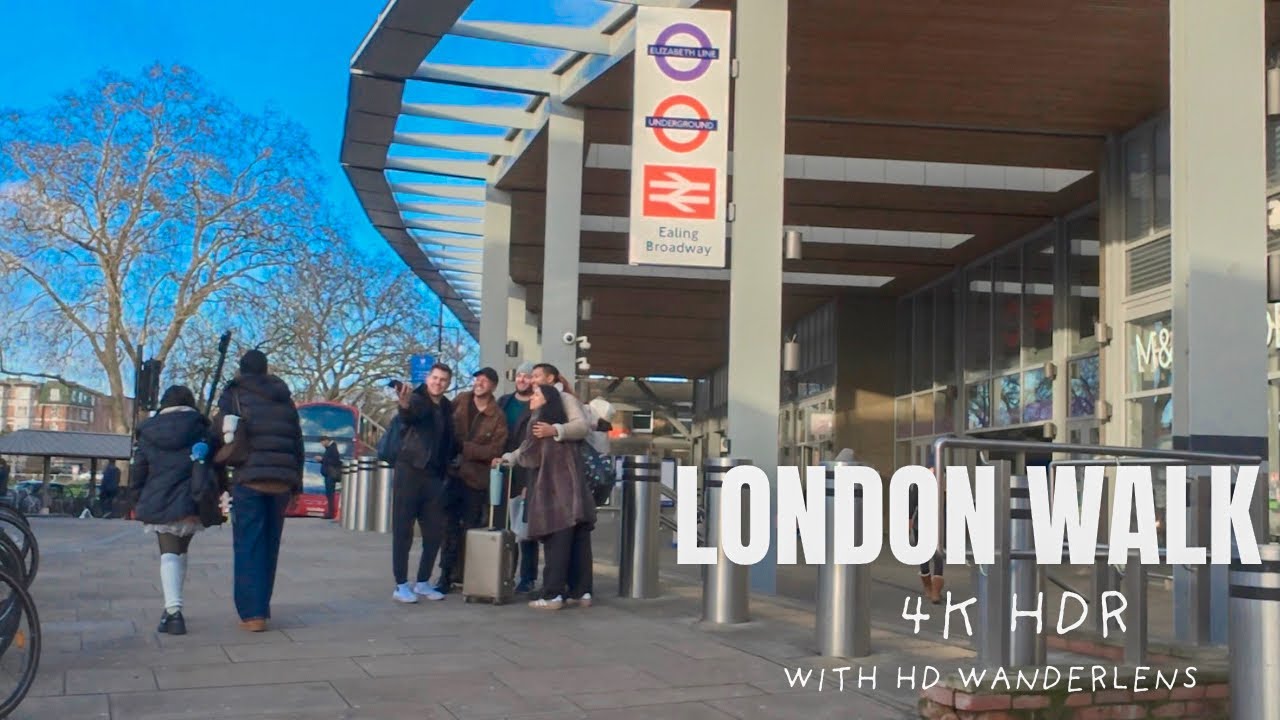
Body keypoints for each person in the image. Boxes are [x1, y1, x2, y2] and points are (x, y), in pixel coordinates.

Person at [216, 350, 304, 632]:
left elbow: (219, 429)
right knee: (270, 546)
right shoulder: (285, 399)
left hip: (250, 479)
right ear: (267, 370)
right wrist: (296, 484)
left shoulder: (235, 393)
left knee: (248, 545)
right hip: (280, 481)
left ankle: (252, 613)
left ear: (241, 369)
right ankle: (262, 607)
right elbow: (296, 441)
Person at [496, 383, 596, 610]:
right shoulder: (563, 425)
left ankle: (552, 595)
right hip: (576, 491)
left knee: (556, 544)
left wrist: (510, 458)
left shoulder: (539, 422)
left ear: (547, 399)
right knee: (579, 544)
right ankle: (582, 592)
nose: (532, 397)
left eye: (537, 394)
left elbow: (530, 456)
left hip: (554, 492)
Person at [130, 385, 211, 635]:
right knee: (181, 550)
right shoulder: (200, 427)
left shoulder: (148, 430)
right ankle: (172, 608)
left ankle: (174, 612)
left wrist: (134, 498)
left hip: (159, 496)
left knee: (168, 553)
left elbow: (139, 470)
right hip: (191, 497)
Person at [390, 363, 456, 604]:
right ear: (428, 378)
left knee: (434, 531)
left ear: (448, 383)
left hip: (435, 475)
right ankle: (400, 584)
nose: (438, 383)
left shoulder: (447, 406)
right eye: (435, 378)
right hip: (410, 470)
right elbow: (409, 415)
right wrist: (404, 404)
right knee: (403, 529)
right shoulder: (417, 399)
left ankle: (423, 581)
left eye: (443, 380)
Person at [438, 367, 507, 592]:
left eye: (485, 380)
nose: (479, 383)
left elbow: (495, 450)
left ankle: (468, 575)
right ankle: (445, 575)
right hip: (451, 475)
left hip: (475, 480)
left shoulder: (497, 417)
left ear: (493, 386)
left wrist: (466, 449)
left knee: (471, 528)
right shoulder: (460, 400)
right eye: (477, 379)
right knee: (448, 527)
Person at [497, 363, 537, 593]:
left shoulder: (536, 405)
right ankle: (505, 573)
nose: (522, 379)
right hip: (504, 470)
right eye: (520, 375)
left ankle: (527, 577)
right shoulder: (504, 402)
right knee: (505, 527)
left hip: (525, 471)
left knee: (525, 528)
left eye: (527, 376)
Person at [910, 453, 945, 604]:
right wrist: (909, 522)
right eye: (931, 468)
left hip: (939, 523)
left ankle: (935, 591)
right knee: (924, 556)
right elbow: (911, 504)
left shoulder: (945, 482)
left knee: (938, 556)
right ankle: (928, 587)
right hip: (922, 524)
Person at [317, 437, 342, 520]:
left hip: (331, 475)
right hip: (328, 474)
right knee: (329, 494)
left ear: (326, 440)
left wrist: (322, 459)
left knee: (330, 494)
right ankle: (330, 512)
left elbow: (335, 461)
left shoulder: (333, 449)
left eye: (322, 442)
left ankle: (331, 513)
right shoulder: (330, 448)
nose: (322, 444)